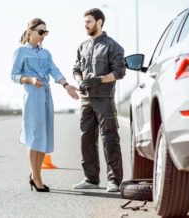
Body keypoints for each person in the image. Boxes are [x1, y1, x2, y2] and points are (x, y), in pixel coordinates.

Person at [11, 18, 79, 192]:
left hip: (47, 95)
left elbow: (54, 70)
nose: (43, 35)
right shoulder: (21, 52)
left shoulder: (46, 53)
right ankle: (36, 177)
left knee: (44, 137)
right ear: (30, 32)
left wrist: (66, 85)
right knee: (34, 137)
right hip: (32, 95)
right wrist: (30, 79)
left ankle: (36, 175)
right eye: (41, 32)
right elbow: (14, 75)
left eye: (45, 32)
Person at [72, 8, 126, 192]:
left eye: (88, 21)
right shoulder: (82, 46)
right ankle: (91, 179)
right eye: (85, 22)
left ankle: (114, 181)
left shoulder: (113, 46)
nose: (85, 25)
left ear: (99, 22)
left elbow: (119, 72)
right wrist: (80, 81)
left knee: (109, 139)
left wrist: (99, 79)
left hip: (104, 99)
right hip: (86, 100)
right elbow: (76, 70)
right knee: (86, 139)